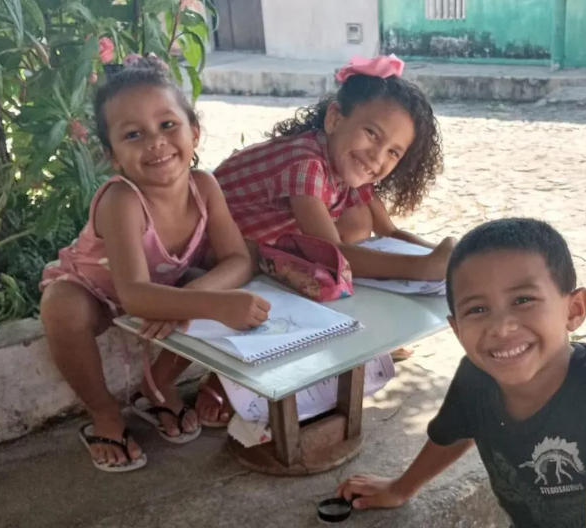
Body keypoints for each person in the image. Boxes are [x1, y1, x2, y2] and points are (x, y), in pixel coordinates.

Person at [336, 218, 586, 528]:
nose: (501, 327)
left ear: (574, 308)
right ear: (457, 329)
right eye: (477, 309)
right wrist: (401, 488)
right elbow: (456, 433)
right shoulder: (476, 378)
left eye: (523, 300)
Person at [39, 55, 271, 472]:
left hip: (161, 290)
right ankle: (104, 413)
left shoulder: (205, 187)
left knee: (216, 281)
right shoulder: (122, 199)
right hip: (98, 292)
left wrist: (194, 295)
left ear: (194, 132)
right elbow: (133, 294)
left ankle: (157, 384)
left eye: (168, 125)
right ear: (112, 156)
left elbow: (239, 259)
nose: (156, 142)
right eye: (133, 134)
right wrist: (210, 305)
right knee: (60, 306)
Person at [198, 55, 454, 421]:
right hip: (213, 248)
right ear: (334, 118)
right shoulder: (306, 162)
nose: (376, 157)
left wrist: (453, 259)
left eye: (393, 152)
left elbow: (391, 232)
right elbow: (331, 254)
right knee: (323, 272)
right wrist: (425, 267)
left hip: (261, 246)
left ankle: (354, 342)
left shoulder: (344, 167)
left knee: (357, 220)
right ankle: (221, 377)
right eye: (372, 134)